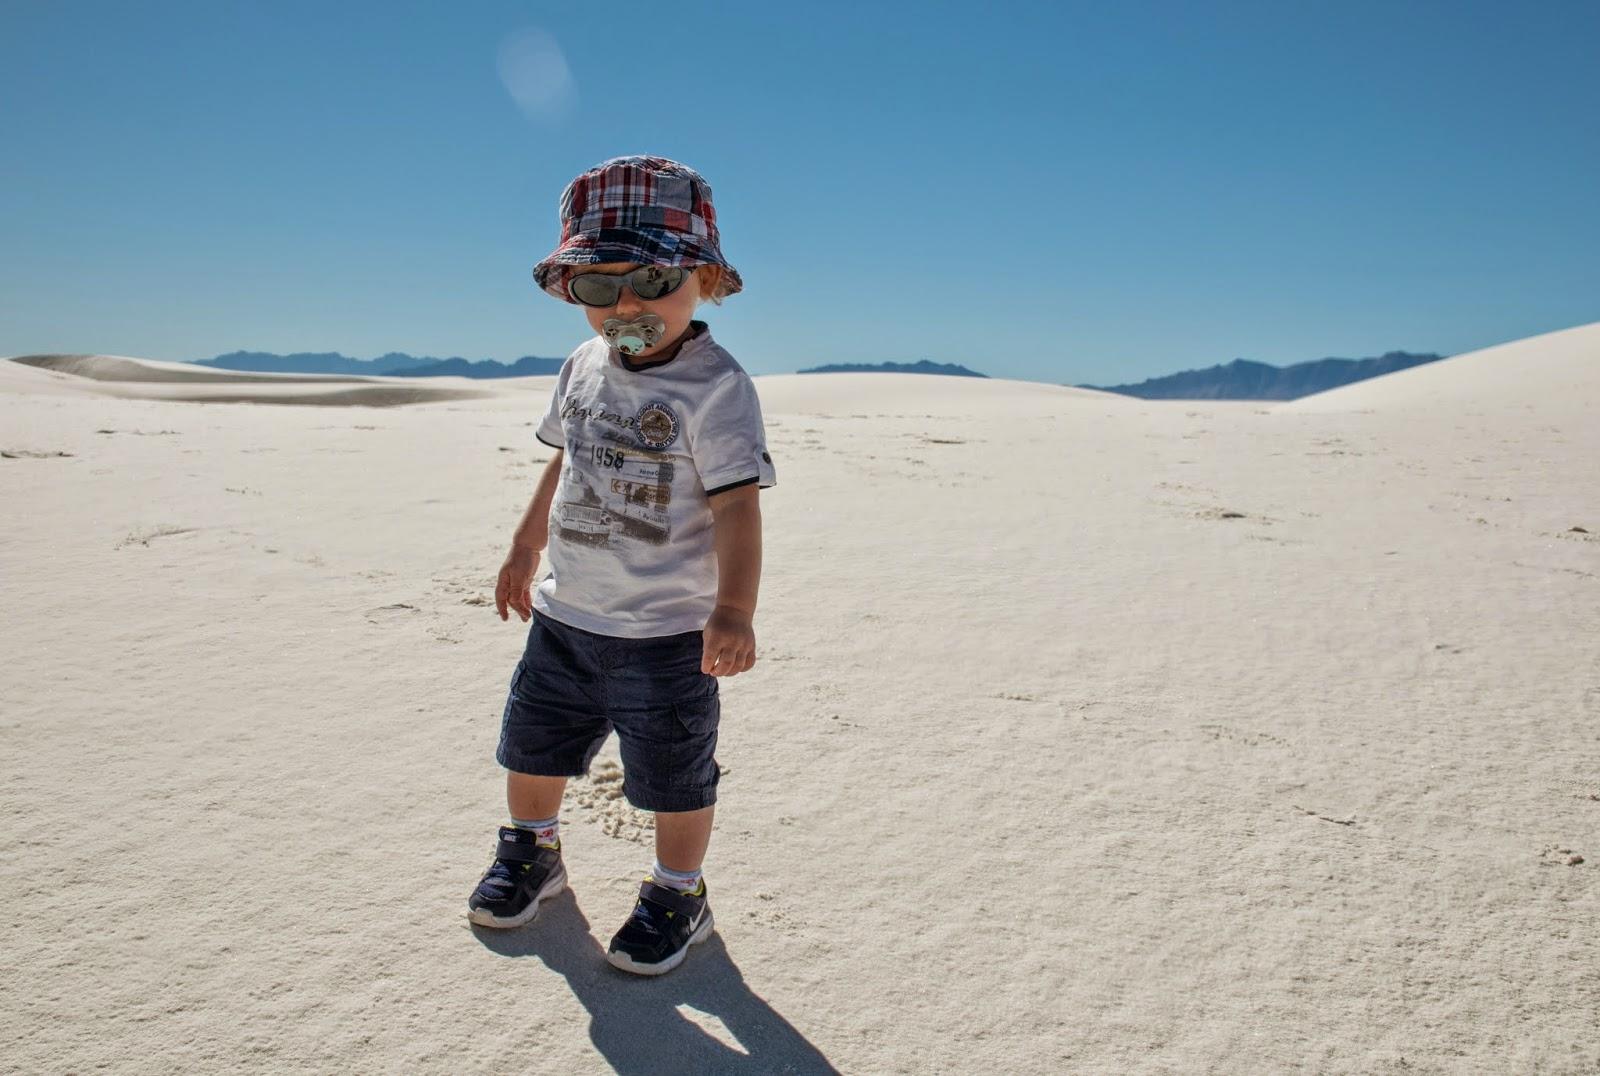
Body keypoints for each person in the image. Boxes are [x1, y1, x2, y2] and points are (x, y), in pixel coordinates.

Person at [466, 156, 776, 977]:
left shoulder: (717, 388)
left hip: (670, 633)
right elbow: (560, 462)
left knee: (674, 775)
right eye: (599, 287)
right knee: (531, 748)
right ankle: (533, 851)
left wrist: (735, 610)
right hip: (568, 618)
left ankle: (680, 891)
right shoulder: (581, 366)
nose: (626, 305)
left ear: (703, 277)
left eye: (650, 277)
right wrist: (525, 545)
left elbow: (738, 504)